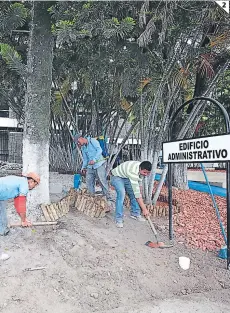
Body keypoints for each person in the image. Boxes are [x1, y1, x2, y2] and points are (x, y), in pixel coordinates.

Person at [0, 172, 40, 261]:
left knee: (2, 211)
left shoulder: (20, 182)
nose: (34, 187)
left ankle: (3, 230)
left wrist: (24, 219)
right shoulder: (24, 185)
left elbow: (18, 205)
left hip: (1, 197)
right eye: (35, 184)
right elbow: (22, 205)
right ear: (31, 181)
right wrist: (23, 221)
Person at [110, 160, 152, 228]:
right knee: (122, 194)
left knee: (134, 193)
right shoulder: (133, 172)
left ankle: (135, 213)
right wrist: (144, 209)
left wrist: (139, 194)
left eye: (148, 173)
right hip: (116, 176)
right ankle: (118, 219)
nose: (146, 174)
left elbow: (139, 188)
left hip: (126, 177)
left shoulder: (141, 168)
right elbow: (137, 195)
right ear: (140, 168)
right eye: (144, 172)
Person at [74, 134, 111, 204]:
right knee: (89, 181)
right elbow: (85, 159)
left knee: (102, 181)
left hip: (99, 164)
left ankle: (108, 197)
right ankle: (92, 197)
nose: (78, 144)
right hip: (90, 167)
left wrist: (94, 159)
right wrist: (83, 168)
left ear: (81, 138)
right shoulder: (83, 148)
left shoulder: (92, 141)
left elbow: (99, 150)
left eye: (78, 142)